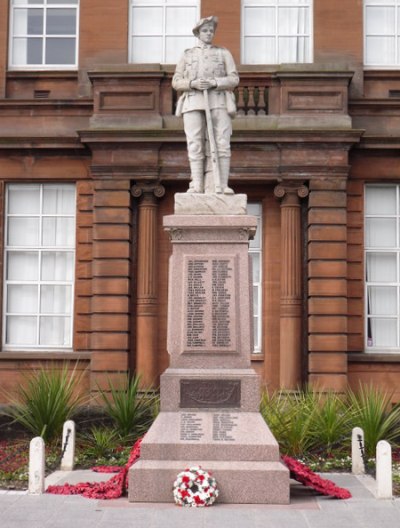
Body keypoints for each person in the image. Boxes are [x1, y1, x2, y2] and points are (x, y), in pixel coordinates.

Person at [172, 16, 239, 194]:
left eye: (211, 30)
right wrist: (192, 84)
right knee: (194, 143)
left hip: (218, 101)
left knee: (222, 143)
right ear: (198, 33)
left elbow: (234, 79)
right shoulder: (187, 55)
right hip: (193, 102)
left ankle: (222, 185)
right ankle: (197, 185)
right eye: (205, 30)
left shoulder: (223, 53)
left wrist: (215, 82)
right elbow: (176, 81)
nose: (209, 33)